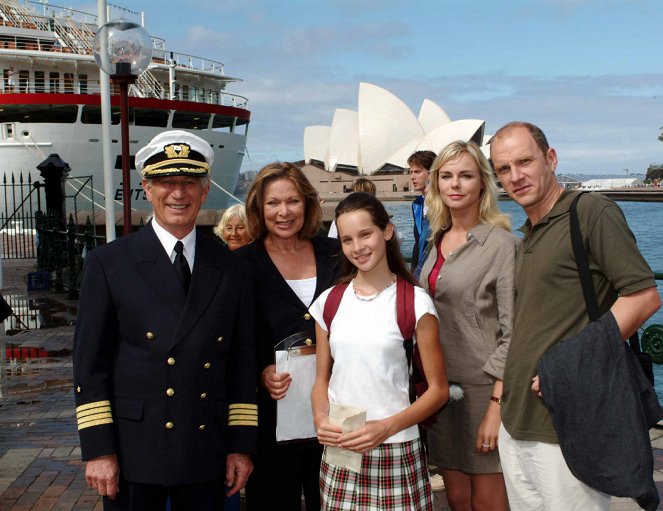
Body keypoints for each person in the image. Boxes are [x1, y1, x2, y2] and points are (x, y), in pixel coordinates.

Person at [73, 130, 258, 510]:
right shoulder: (109, 263)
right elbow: (90, 367)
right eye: (166, 182)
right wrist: (99, 450)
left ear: (204, 190)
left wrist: (240, 446)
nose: (178, 193)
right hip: (133, 449)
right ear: (147, 187)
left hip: (205, 445)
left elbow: (242, 364)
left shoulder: (229, 267)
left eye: (188, 182)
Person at [489, 121, 661, 510]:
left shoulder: (591, 212)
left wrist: (567, 366)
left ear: (550, 159)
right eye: (503, 168)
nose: (515, 176)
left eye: (524, 161)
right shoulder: (530, 232)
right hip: (517, 421)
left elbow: (644, 297)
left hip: (567, 423)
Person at [310, 192, 449, 511]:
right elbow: (321, 380)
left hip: (396, 447)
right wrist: (320, 417)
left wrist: (385, 427)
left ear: (387, 231)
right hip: (342, 448)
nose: (357, 247)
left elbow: (438, 390)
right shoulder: (328, 303)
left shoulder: (415, 302)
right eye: (347, 239)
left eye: (365, 234)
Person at [419, 140, 519, 511]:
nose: (455, 184)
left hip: (483, 390)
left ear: (482, 183)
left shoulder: (502, 245)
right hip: (441, 390)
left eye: (465, 175)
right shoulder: (436, 239)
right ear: (437, 184)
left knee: (488, 503)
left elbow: (514, 333)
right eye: (446, 176)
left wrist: (496, 406)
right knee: (458, 499)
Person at [238, 162, 340, 511]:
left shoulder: (336, 256)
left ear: (308, 205)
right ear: (258, 208)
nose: (284, 212)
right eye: (273, 203)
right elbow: (231, 340)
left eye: (293, 201)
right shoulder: (239, 266)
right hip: (273, 420)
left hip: (335, 416)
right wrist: (259, 372)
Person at [408, 151, 436, 277]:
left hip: (436, 269)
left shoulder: (444, 203)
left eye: (417, 172)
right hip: (420, 268)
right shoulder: (417, 204)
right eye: (411, 171)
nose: (412, 176)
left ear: (431, 173)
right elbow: (417, 241)